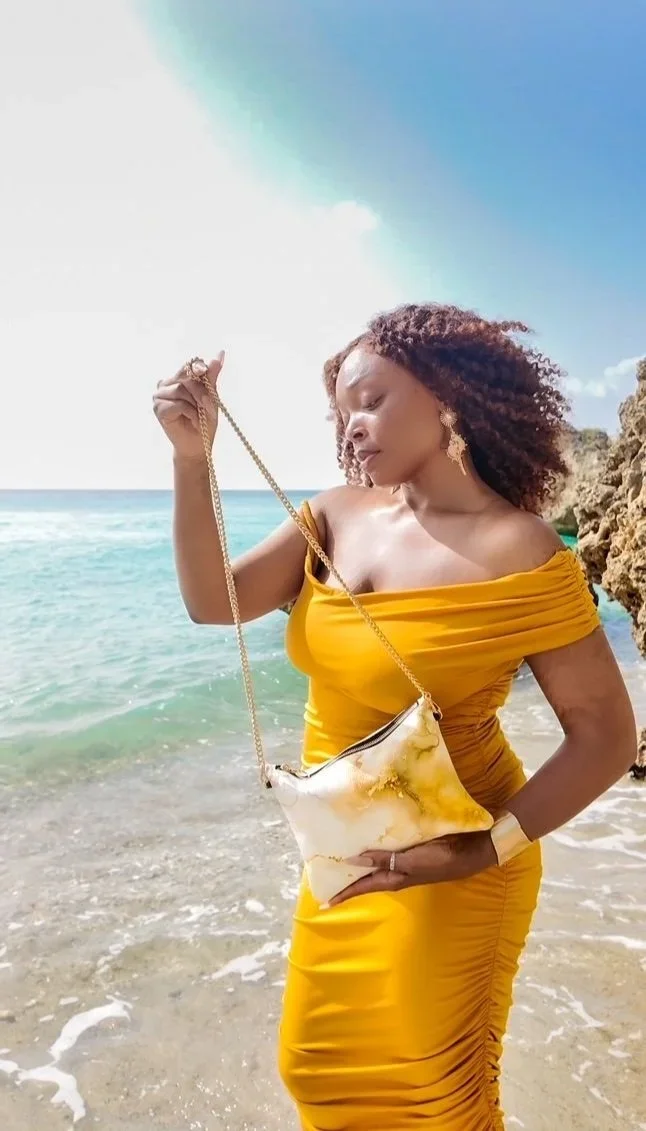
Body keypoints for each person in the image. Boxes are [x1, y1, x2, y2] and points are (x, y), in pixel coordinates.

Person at [153, 303, 637, 1131]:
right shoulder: (334, 515)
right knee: (315, 1066)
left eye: (373, 400)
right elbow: (213, 599)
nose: (356, 426)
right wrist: (193, 459)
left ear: (447, 396)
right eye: (345, 413)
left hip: (459, 860)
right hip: (342, 856)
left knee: (428, 1098)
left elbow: (605, 736)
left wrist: (482, 849)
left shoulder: (520, 549)